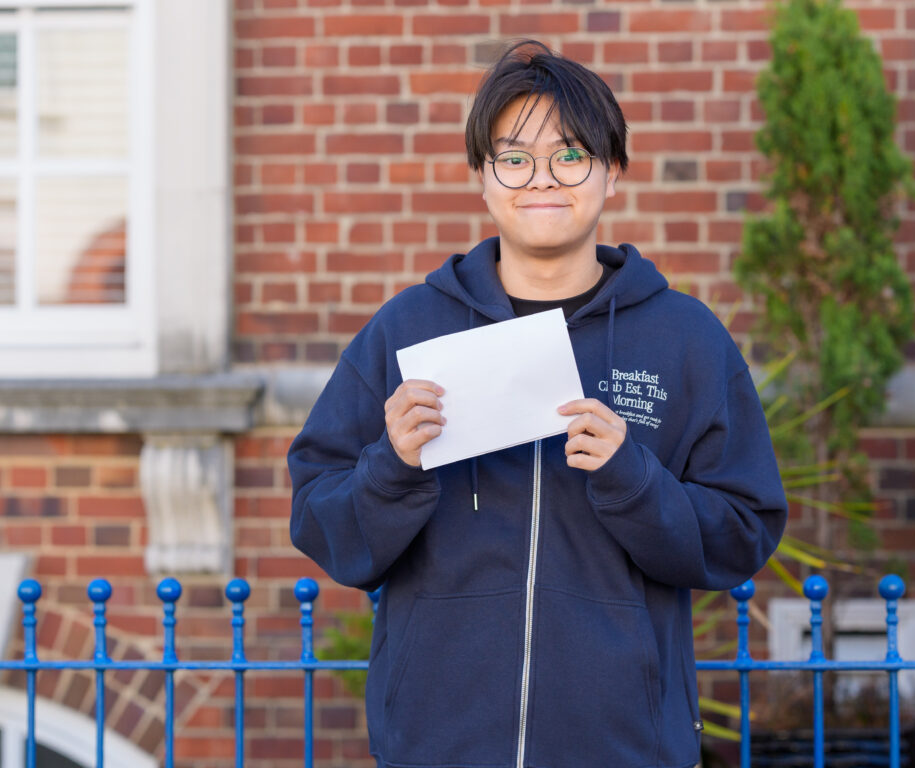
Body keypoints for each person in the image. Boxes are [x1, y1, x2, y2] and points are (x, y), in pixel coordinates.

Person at [289, 40, 787, 768]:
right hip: (437, 746)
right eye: (515, 158)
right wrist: (392, 466)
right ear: (483, 179)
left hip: (622, 748)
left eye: (572, 155)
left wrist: (632, 477)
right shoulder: (406, 331)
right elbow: (322, 526)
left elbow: (743, 532)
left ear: (612, 172)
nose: (542, 179)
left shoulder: (685, 340)